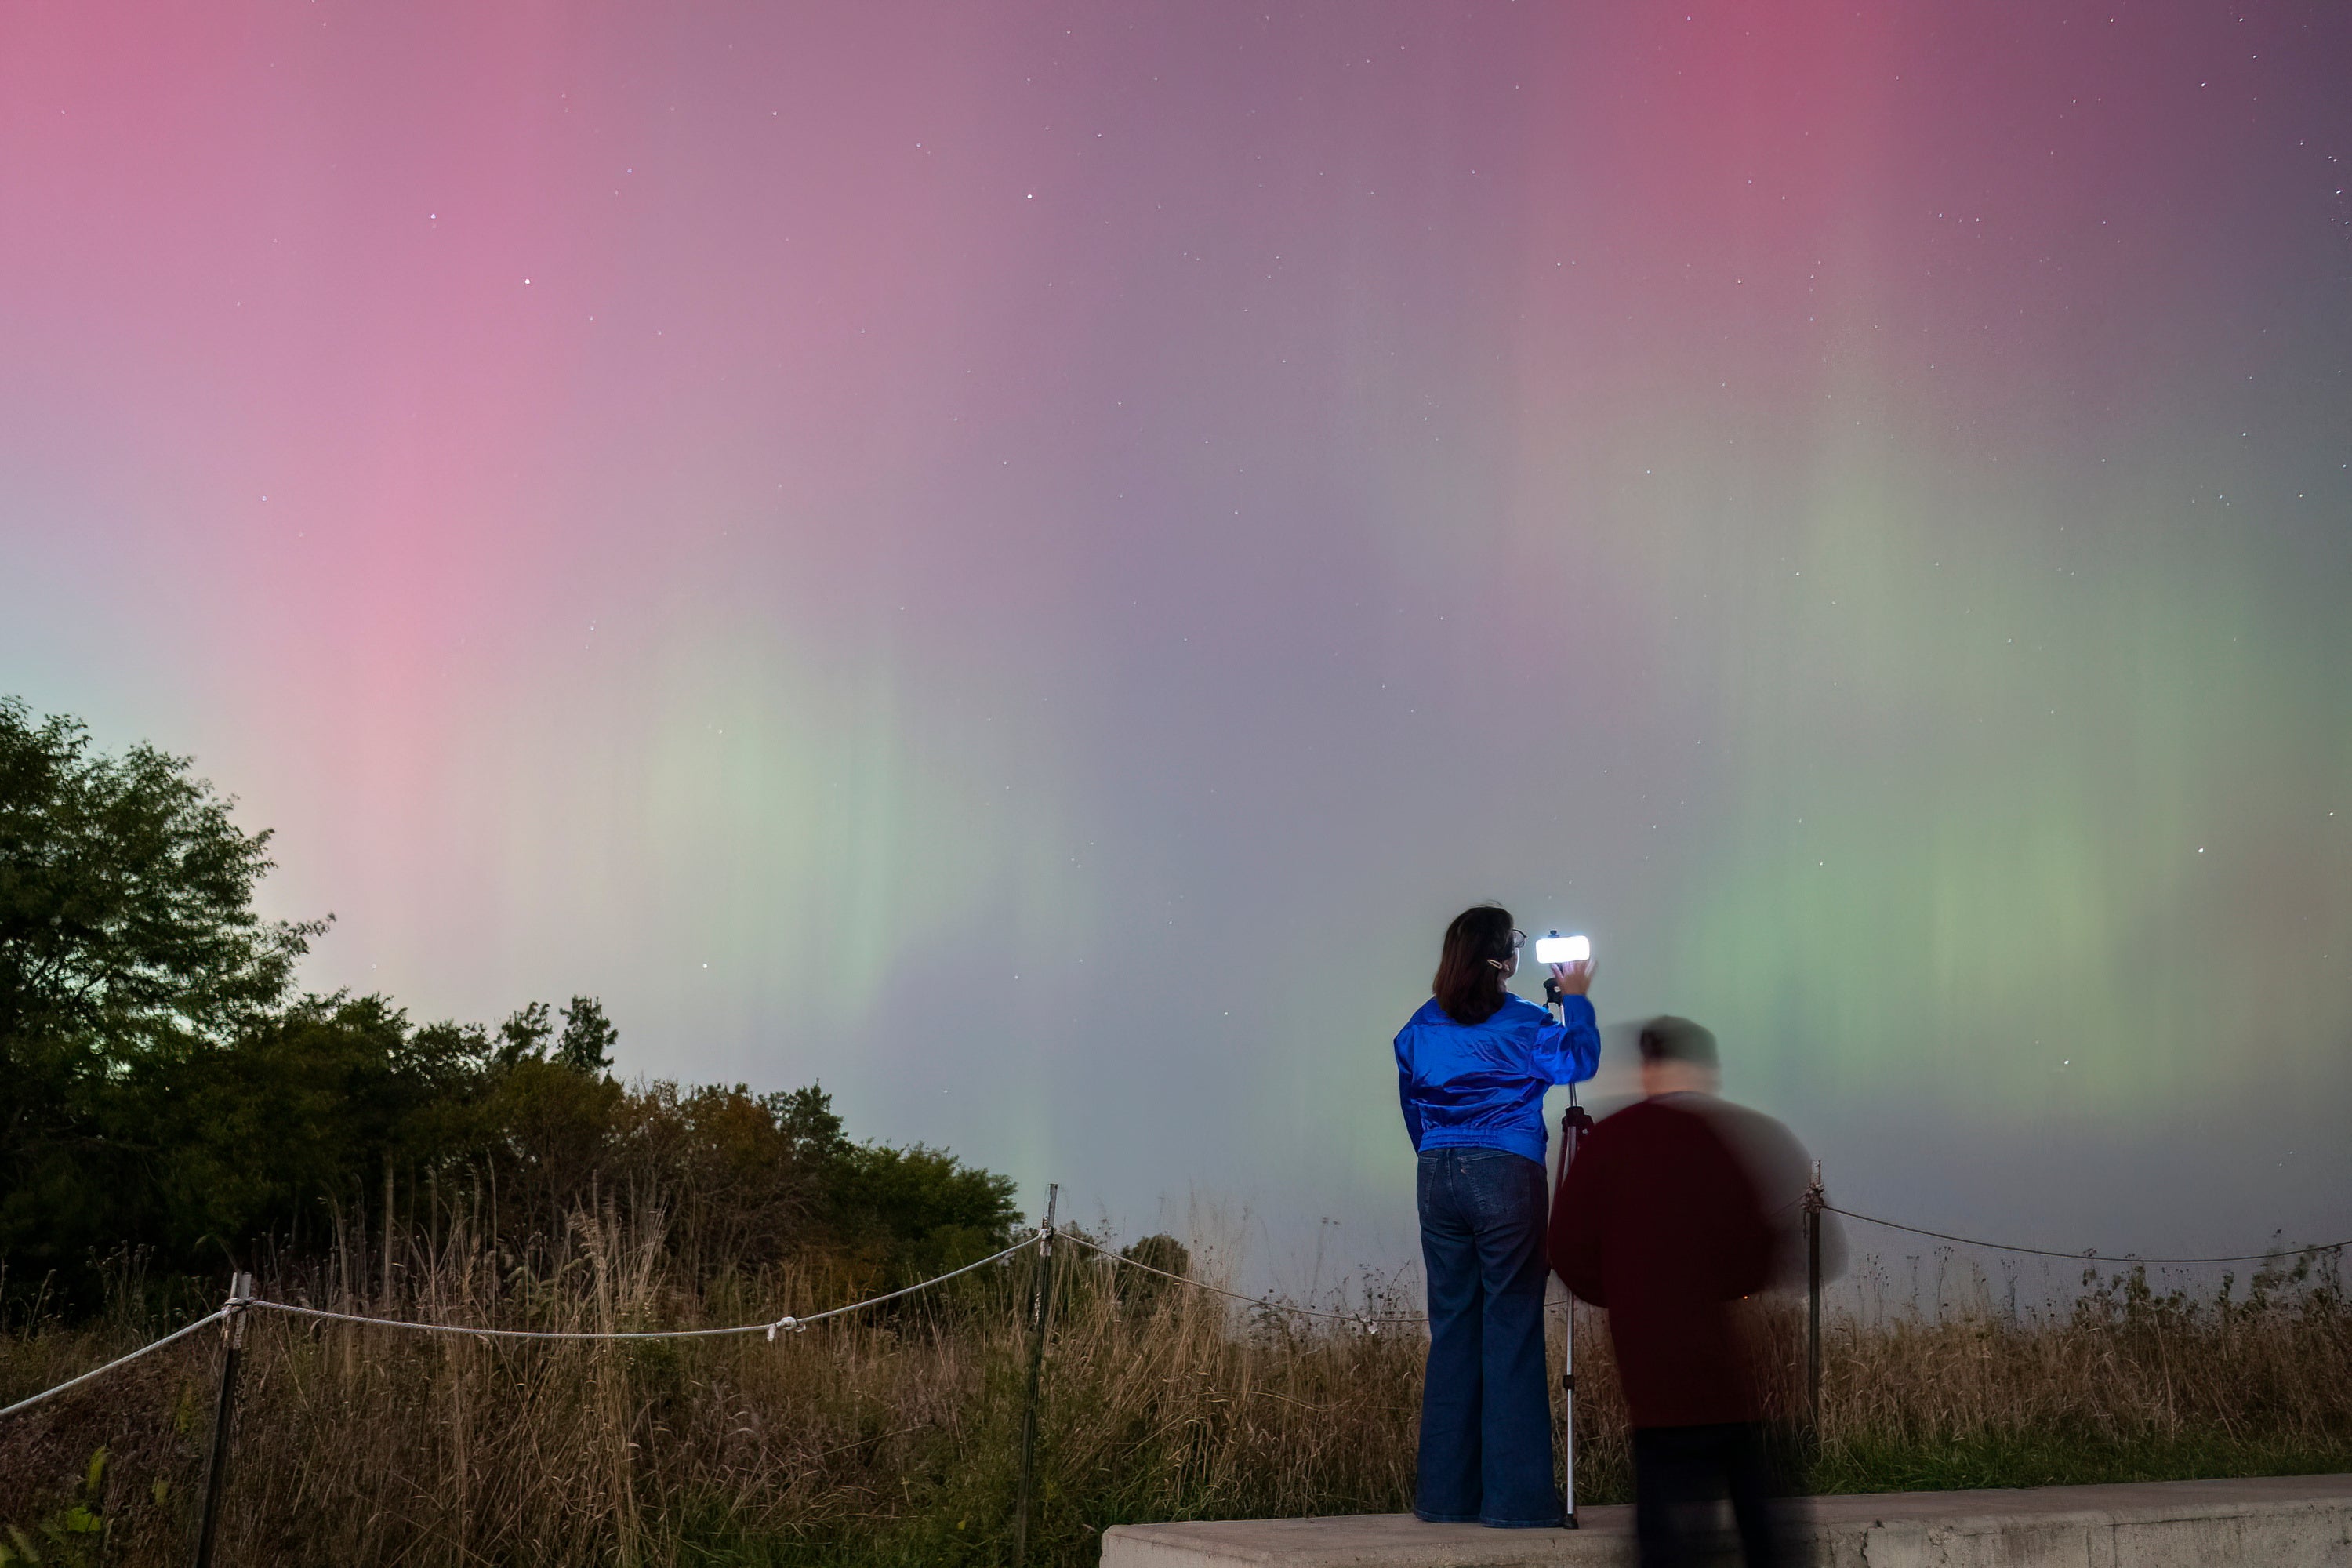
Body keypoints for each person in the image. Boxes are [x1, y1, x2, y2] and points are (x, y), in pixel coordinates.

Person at [1548, 1016, 1830, 1568]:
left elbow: (1566, 1248)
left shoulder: (1611, 1142)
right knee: (1759, 1522)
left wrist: (1622, 1293)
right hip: (1723, 1373)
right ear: (1700, 1069)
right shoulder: (1726, 1138)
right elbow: (1763, 1248)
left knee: (1663, 1529)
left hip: (1647, 1374)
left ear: (1647, 1068)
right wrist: (1718, 1288)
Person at [1396, 904, 1600, 1528]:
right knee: (1510, 1328)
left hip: (1436, 1175)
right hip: (1506, 1173)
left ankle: (1445, 1498)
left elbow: (1412, 1105)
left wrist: (1440, 1155)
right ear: (1503, 961)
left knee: (1453, 1331)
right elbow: (1579, 1061)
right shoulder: (1527, 1023)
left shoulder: (1419, 1027)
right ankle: (1515, 1504)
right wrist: (1576, 997)